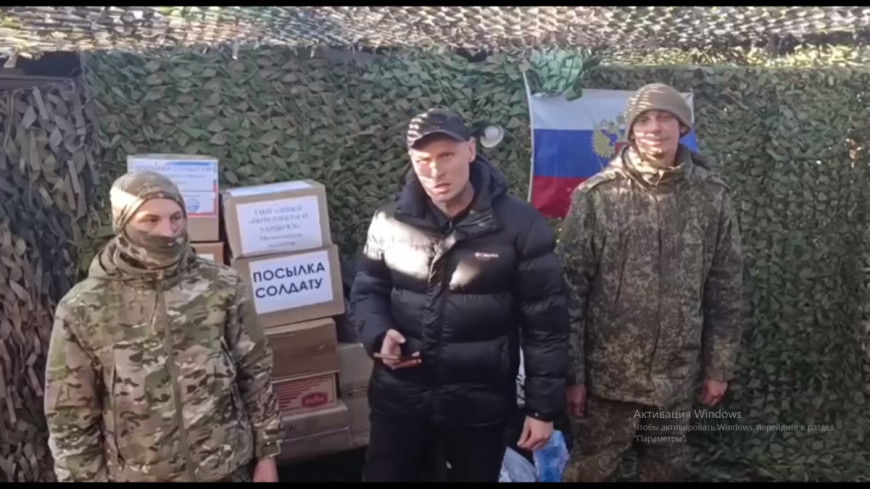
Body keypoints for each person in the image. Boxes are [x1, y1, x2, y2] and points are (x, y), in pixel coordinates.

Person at [350, 108, 569, 482]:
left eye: (446, 155)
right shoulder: (389, 220)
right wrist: (378, 334)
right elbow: (367, 291)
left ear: (470, 150)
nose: (436, 170)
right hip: (399, 401)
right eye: (423, 159)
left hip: (479, 406)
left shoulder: (520, 224)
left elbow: (545, 325)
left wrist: (542, 409)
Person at [558, 83, 745, 482]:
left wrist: (718, 367)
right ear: (630, 132)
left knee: (666, 471)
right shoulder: (597, 197)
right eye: (643, 120)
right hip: (608, 382)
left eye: (665, 118)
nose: (655, 128)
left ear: (682, 127)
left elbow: (725, 288)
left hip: (675, 380)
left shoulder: (711, 197)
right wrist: (574, 376)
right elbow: (570, 292)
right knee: (590, 472)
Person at [43, 171, 283, 482]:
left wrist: (267, 454)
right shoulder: (83, 307)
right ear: (122, 223)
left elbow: (256, 372)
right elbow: (70, 415)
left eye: (176, 218)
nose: (168, 232)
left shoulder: (222, 285)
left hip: (227, 467)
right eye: (150, 220)